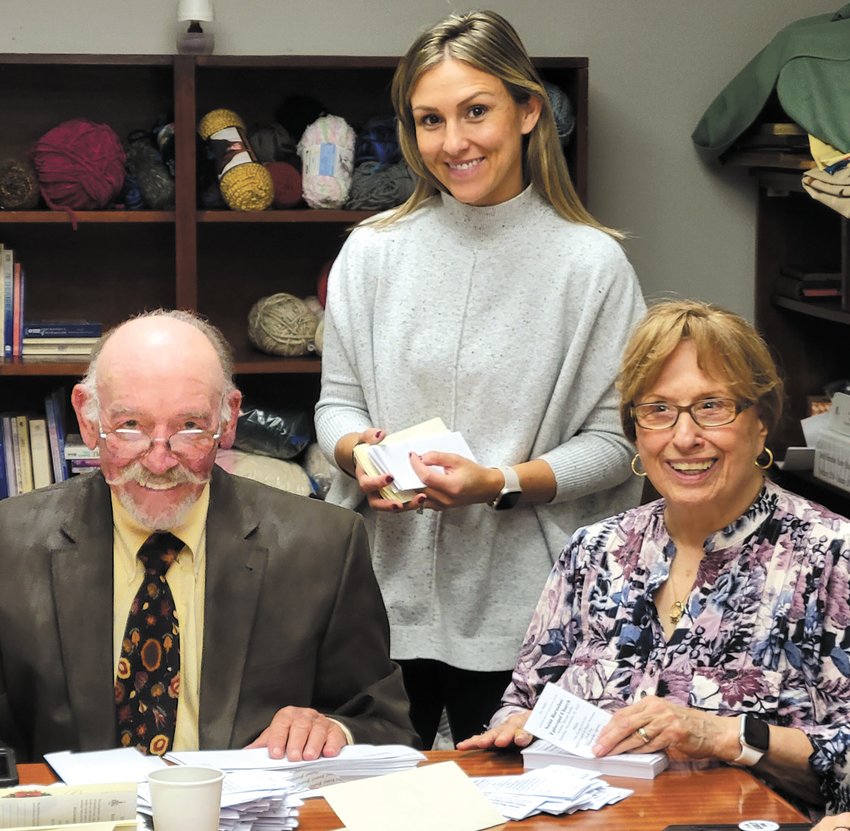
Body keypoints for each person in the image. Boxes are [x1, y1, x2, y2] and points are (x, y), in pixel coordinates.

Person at [314, 9, 645, 749]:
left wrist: (496, 479)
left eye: (476, 111)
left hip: (526, 611)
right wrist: (356, 450)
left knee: (513, 812)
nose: (453, 142)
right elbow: (335, 405)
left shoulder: (591, 266)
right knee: (369, 809)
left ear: (529, 111)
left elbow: (618, 442)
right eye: (430, 119)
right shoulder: (370, 253)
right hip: (380, 596)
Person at [458, 299, 850, 811]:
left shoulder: (831, 557)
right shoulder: (593, 552)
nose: (684, 438)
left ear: (761, 422)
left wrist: (726, 735)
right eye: (658, 410)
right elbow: (522, 703)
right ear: (636, 433)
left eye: (712, 406)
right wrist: (516, 728)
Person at [0, 309, 416, 763]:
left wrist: (333, 728)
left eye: (190, 428)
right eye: (131, 427)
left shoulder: (324, 547)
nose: (159, 462)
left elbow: (387, 727)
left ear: (230, 417)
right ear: (86, 416)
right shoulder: (10, 545)